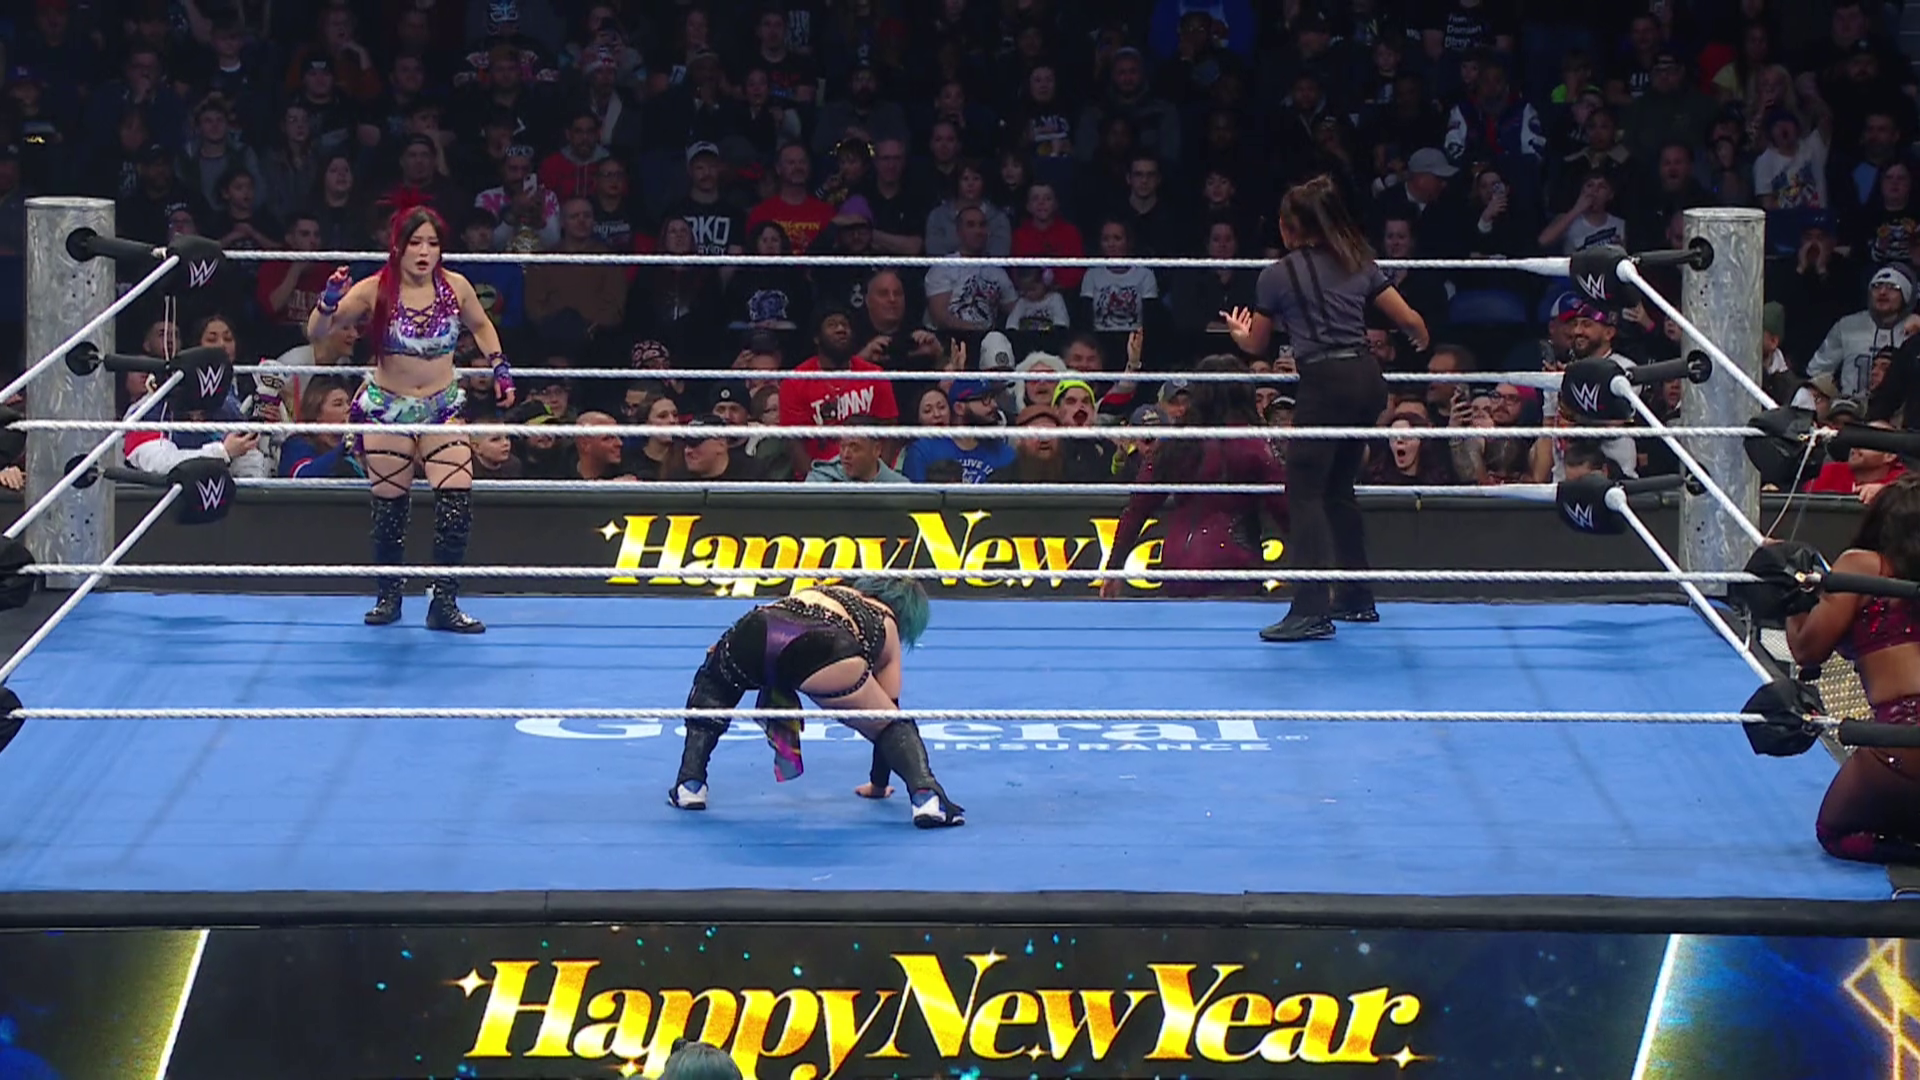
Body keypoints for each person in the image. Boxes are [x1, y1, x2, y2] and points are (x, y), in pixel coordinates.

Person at [1223, 176, 1430, 642]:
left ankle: (1311, 609)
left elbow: (1256, 344)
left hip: (1325, 380)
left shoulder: (1277, 274)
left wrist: (1238, 334)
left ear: (1289, 226)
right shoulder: (1357, 262)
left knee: (1304, 491)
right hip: (1367, 379)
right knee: (1337, 488)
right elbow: (1411, 320)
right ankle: (1356, 597)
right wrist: (1420, 337)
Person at [306, 201, 518, 632]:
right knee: (390, 509)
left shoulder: (456, 287)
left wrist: (499, 365)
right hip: (389, 408)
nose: (424, 252)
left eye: (432, 243)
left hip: (442, 406)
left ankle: (444, 601)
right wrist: (328, 301)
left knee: (457, 498)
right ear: (398, 247)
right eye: (415, 242)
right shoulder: (374, 289)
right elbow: (317, 332)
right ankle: (389, 597)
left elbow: (481, 325)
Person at [670, 578, 963, 828]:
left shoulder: (823, 590)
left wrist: (723, 652)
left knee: (715, 682)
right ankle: (927, 797)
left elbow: (767, 618)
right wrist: (878, 784)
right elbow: (888, 715)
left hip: (759, 627)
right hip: (825, 646)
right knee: (890, 723)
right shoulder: (887, 622)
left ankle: (690, 784)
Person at [1786, 475, 1920, 865]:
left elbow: (1806, 650)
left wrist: (1791, 591)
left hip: (1904, 738)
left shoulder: (1862, 567)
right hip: (1903, 739)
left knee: (1836, 832)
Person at [1099, 356, 1290, 599]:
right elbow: (1287, 513)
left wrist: (1114, 568)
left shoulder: (1176, 444)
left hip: (1179, 566)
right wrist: (1321, 569)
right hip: (1232, 566)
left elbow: (1136, 509)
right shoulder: (1253, 446)